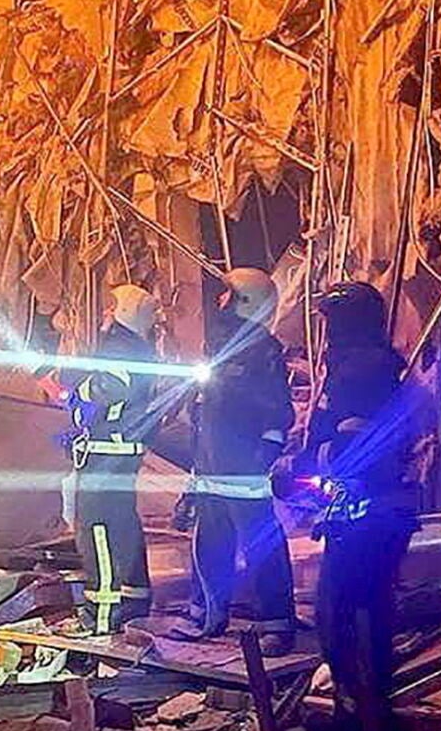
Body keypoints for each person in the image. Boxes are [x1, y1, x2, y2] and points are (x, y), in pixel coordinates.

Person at [297, 281, 419, 731]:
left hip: (368, 516)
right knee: (355, 616)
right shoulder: (369, 365)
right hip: (368, 514)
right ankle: (355, 718)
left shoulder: (361, 372)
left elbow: (355, 449)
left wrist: (303, 464)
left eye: (330, 320)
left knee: (346, 621)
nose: (325, 330)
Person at [181, 267, 299, 655]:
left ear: (245, 301)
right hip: (210, 466)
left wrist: (264, 453)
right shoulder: (219, 348)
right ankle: (206, 611)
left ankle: (276, 623)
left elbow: (278, 410)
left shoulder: (263, 352)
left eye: (227, 294)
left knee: (261, 544)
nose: (220, 300)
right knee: (210, 541)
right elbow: (204, 408)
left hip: (244, 468)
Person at [66, 284, 162, 635]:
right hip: (121, 451)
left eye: (111, 307)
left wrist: (78, 388)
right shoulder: (137, 348)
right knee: (123, 523)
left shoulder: (119, 349)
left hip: (107, 452)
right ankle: (135, 598)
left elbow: (110, 388)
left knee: (97, 528)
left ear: (123, 313)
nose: (104, 314)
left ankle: (102, 612)